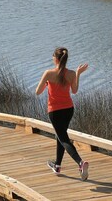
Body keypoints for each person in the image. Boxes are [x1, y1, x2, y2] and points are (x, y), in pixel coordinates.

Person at [35, 47, 89, 180]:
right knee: (61, 135)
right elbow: (75, 91)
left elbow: (37, 91)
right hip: (69, 109)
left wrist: (47, 83)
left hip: (55, 111)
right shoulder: (70, 74)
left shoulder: (48, 73)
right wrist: (78, 73)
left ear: (56, 59)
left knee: (63, 138)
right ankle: (57, 165)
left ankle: (81, 163)